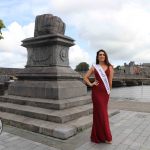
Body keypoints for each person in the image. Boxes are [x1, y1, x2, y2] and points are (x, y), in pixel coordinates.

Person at [83, 49, 114, 144]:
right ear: (97, 57)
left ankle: (98, 136)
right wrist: (91, 84)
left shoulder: (110, 67)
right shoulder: (94, 67)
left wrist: (109, 93)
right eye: (100, 55)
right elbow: (85, 77)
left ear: (105, 56)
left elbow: (110, 82)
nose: (101, 56)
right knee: (101, 113)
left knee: (101, 113)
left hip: (105, 93)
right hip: (96, 93)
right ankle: (106, 136)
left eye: (103, 55)